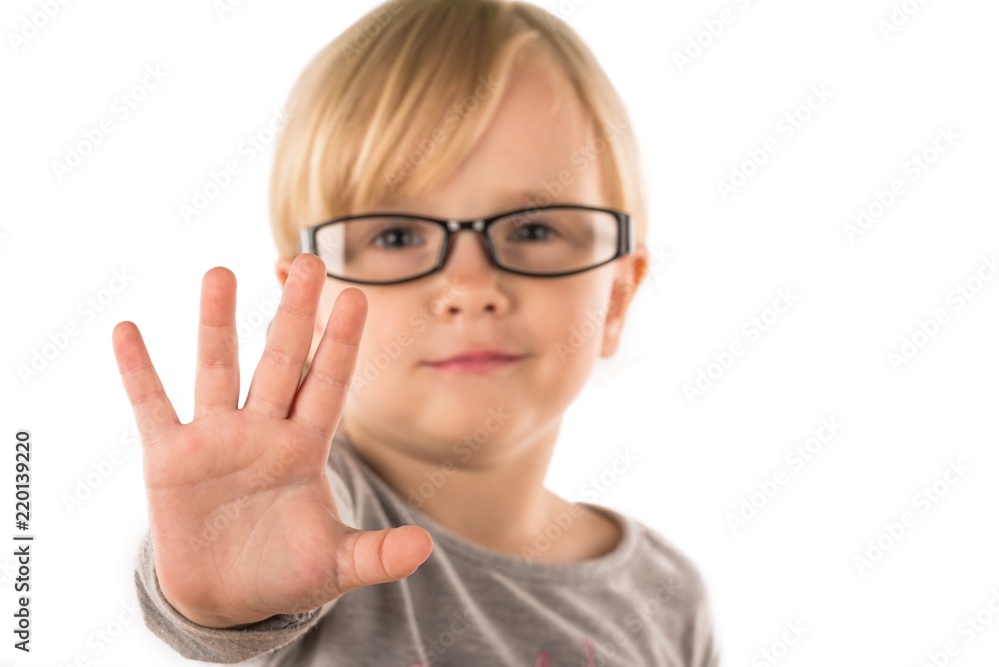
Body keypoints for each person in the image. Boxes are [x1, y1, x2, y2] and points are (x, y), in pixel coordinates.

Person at [112, 0, 720, 664]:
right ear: (309, 300)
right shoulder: (304, 513)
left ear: (616, 296)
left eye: (534, 229)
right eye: (396, 234)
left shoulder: (667, 596)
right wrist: (223, 601)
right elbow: (240, 567)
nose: (469, 288)